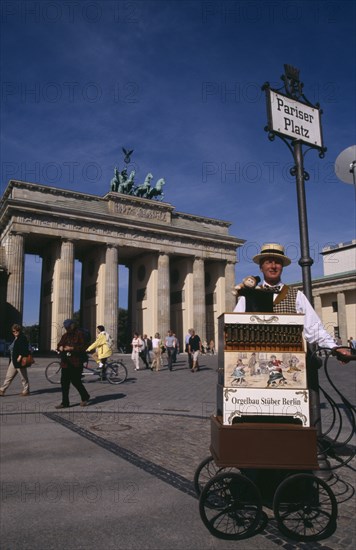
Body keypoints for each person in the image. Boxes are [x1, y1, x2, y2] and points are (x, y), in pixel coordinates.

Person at [233, 243, 351, 359]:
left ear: (282, 266)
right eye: (268, 262)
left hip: (290, 358)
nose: (273, 266)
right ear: (261, 267)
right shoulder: (248, 296)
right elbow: (234, 326)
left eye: (277, 262)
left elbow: (314, 328)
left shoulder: (297, 295)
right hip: (258, 357)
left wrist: (334, 347)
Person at [55, 319, 90, 408]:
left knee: (76, 381)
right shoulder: (65, 336)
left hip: (76, 362)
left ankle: (85, 396)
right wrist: (60, 347)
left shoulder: (79, 334)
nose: (67, 329)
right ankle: (65, 402)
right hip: (66, 362)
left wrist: (72, 348)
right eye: (65, 327)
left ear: (72, 326)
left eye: (68, 327)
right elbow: (59, 345)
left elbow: (84, 347)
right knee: (64, 383)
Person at [0, 324, 31, 396]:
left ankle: (26, 390)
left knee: (23, 377)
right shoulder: (14, 338)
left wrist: (20, 356)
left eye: (17, 331)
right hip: (13, 361)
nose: (15, 332)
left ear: (19, 330)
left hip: (20, 361)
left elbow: (25, 349)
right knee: (8, 376)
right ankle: (2, 390)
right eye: (14, 331)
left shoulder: (22, 338)